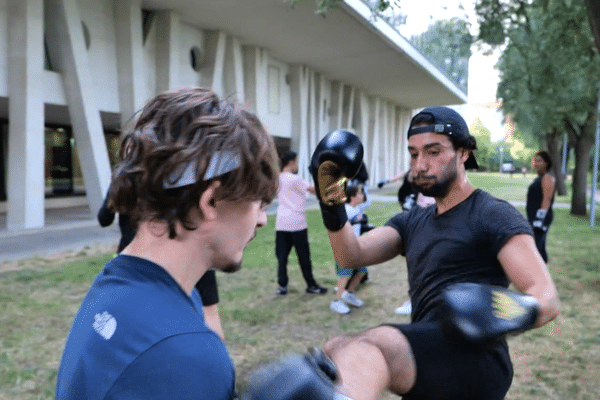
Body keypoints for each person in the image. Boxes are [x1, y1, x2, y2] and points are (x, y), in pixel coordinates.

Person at [309, 107, 559, 400]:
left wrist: (505, 310)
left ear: (463, 152)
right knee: (336, 348)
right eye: (414, 155)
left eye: (433, 152)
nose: (420, 165)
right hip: (427, 355)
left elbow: (546, 296)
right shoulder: (412, 221)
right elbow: (351, 256)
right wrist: (332, 203)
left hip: (475, 361)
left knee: (370, 347)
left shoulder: (492, 214)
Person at [55, 87, 280, 400]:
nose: (261, 221)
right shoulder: (184, 352)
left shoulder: (115, 286)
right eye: (259, 203)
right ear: (211, 201)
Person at [98, 180, 226, 339]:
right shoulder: (184, 169)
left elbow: (103, 218)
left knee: (142, 323)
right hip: (190, 247)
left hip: (137, 261)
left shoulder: (125, 177)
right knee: (207, 312)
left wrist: (115, 195)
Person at [275, 151, 327, 295]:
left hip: (281, 223)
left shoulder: (278, 178)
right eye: (296, 162)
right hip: (297, 223)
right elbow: (314, 190)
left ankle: (282, 286)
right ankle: (311, 285)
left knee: (282, 257)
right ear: (291, 162)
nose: (297, 165)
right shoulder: (294, 179)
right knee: (304, 257)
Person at [394, 171, 435, 316]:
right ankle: (413, 301)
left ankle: (416, 302)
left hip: (429, 234)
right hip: (415, 233)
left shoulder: (432, 190)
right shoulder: (409, 192)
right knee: (416, 270)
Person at [330, 184, 369, 314]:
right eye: (360, 193)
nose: (362, 195)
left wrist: (365, 227)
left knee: (361, 272)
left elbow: (356, 227)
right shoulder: (344, 209)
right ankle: (336, 302)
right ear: (353, 196)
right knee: (345, 275)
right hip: (344, 246)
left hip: (356, 245)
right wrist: (354, 220)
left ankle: (350, 294)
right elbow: (339, 226)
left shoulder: (356, 208)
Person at [526, 151, 556, 263]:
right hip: (534, 217)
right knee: (540, 247)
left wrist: (539, 219)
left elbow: (547, 199)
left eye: (539, 161)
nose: (536, 163)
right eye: (535, 160)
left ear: (546, 163)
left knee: (536, 247)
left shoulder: (548, 177)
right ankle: (544, 273)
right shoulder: (541, 177)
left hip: (541, 218)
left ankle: (539, 274)